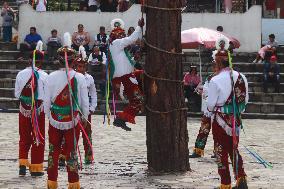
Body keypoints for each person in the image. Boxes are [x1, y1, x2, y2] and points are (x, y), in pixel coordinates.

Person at [45, 33, 89, 189]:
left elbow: (46, 100)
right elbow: (84, 102)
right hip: (72, 119)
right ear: (73, 61)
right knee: (71, 151)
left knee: (53, 150)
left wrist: (48, 115)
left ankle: (52, 182)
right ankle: (73, 183)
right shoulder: (79, 77)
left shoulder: (50, 77)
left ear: (59, 60)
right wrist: (84, 116)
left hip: (55, 118)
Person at [207, 38, 249, 189]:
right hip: (235, 120)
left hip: (219, 121)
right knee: (234, 149)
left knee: (220, 151)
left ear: (217, 63)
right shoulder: (242, 77)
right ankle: (241, 178)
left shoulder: (215, 80)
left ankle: (225, 183)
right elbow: (245, 100)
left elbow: (211, 105)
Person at [15, 41, 47, 177]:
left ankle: (22, 164)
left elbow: (17, 94)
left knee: (24, 137)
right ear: (41, 62)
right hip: (38, 110)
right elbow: (46, 96)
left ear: (30, 61)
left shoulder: (20, 74)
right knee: (38, 138)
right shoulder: (45, 76)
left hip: (24, 109)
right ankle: (36, 168)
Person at [109, 18, 144, 131]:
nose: (122, 36)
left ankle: (122, 118)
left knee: (145, 75)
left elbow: (126, 63)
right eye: (121, 34)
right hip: (126, 78)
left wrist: (135, 58)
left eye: (123, 34)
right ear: (115, 35)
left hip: (129, 76)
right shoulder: (116, 43)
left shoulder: (119, 49)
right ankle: (121, 118)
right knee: (138, 100)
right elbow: (132, 39)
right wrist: (139, 27)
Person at [189, 60, 219, 158]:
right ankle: (198, 151)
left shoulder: (224, 79)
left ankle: (218, 151)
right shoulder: (210, 77)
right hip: (209, 109)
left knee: (218, 132)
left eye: (217, 66)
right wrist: (203, 93)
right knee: (203, 130)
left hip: (219, 109)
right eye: (214, 66)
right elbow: (206, 91)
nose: (215, 68)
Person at [75, 46, 97, 164]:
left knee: (87, 134)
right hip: (74, 110)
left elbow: (93, 94)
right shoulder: (72, 77)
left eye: (83, 66)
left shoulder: (90, 78)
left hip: (86, 110)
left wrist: (92, 107)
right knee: (72, 133)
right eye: (79, 66)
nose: (81, 68)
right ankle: (67, 155)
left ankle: (88, 156)